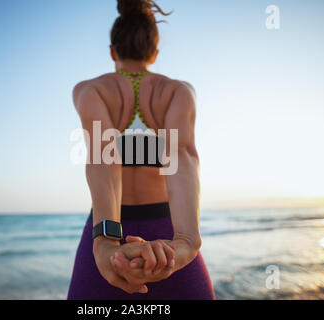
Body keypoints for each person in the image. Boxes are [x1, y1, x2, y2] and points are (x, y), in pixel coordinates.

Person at [67, 0, 214, 300]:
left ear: (112, 51)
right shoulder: (176, 92)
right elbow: (182, 156)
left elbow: (102, 154)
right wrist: (186, 240)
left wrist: (106, 242)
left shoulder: (91, 91)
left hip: (106, 225)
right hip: (167, 231)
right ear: (154, 53)